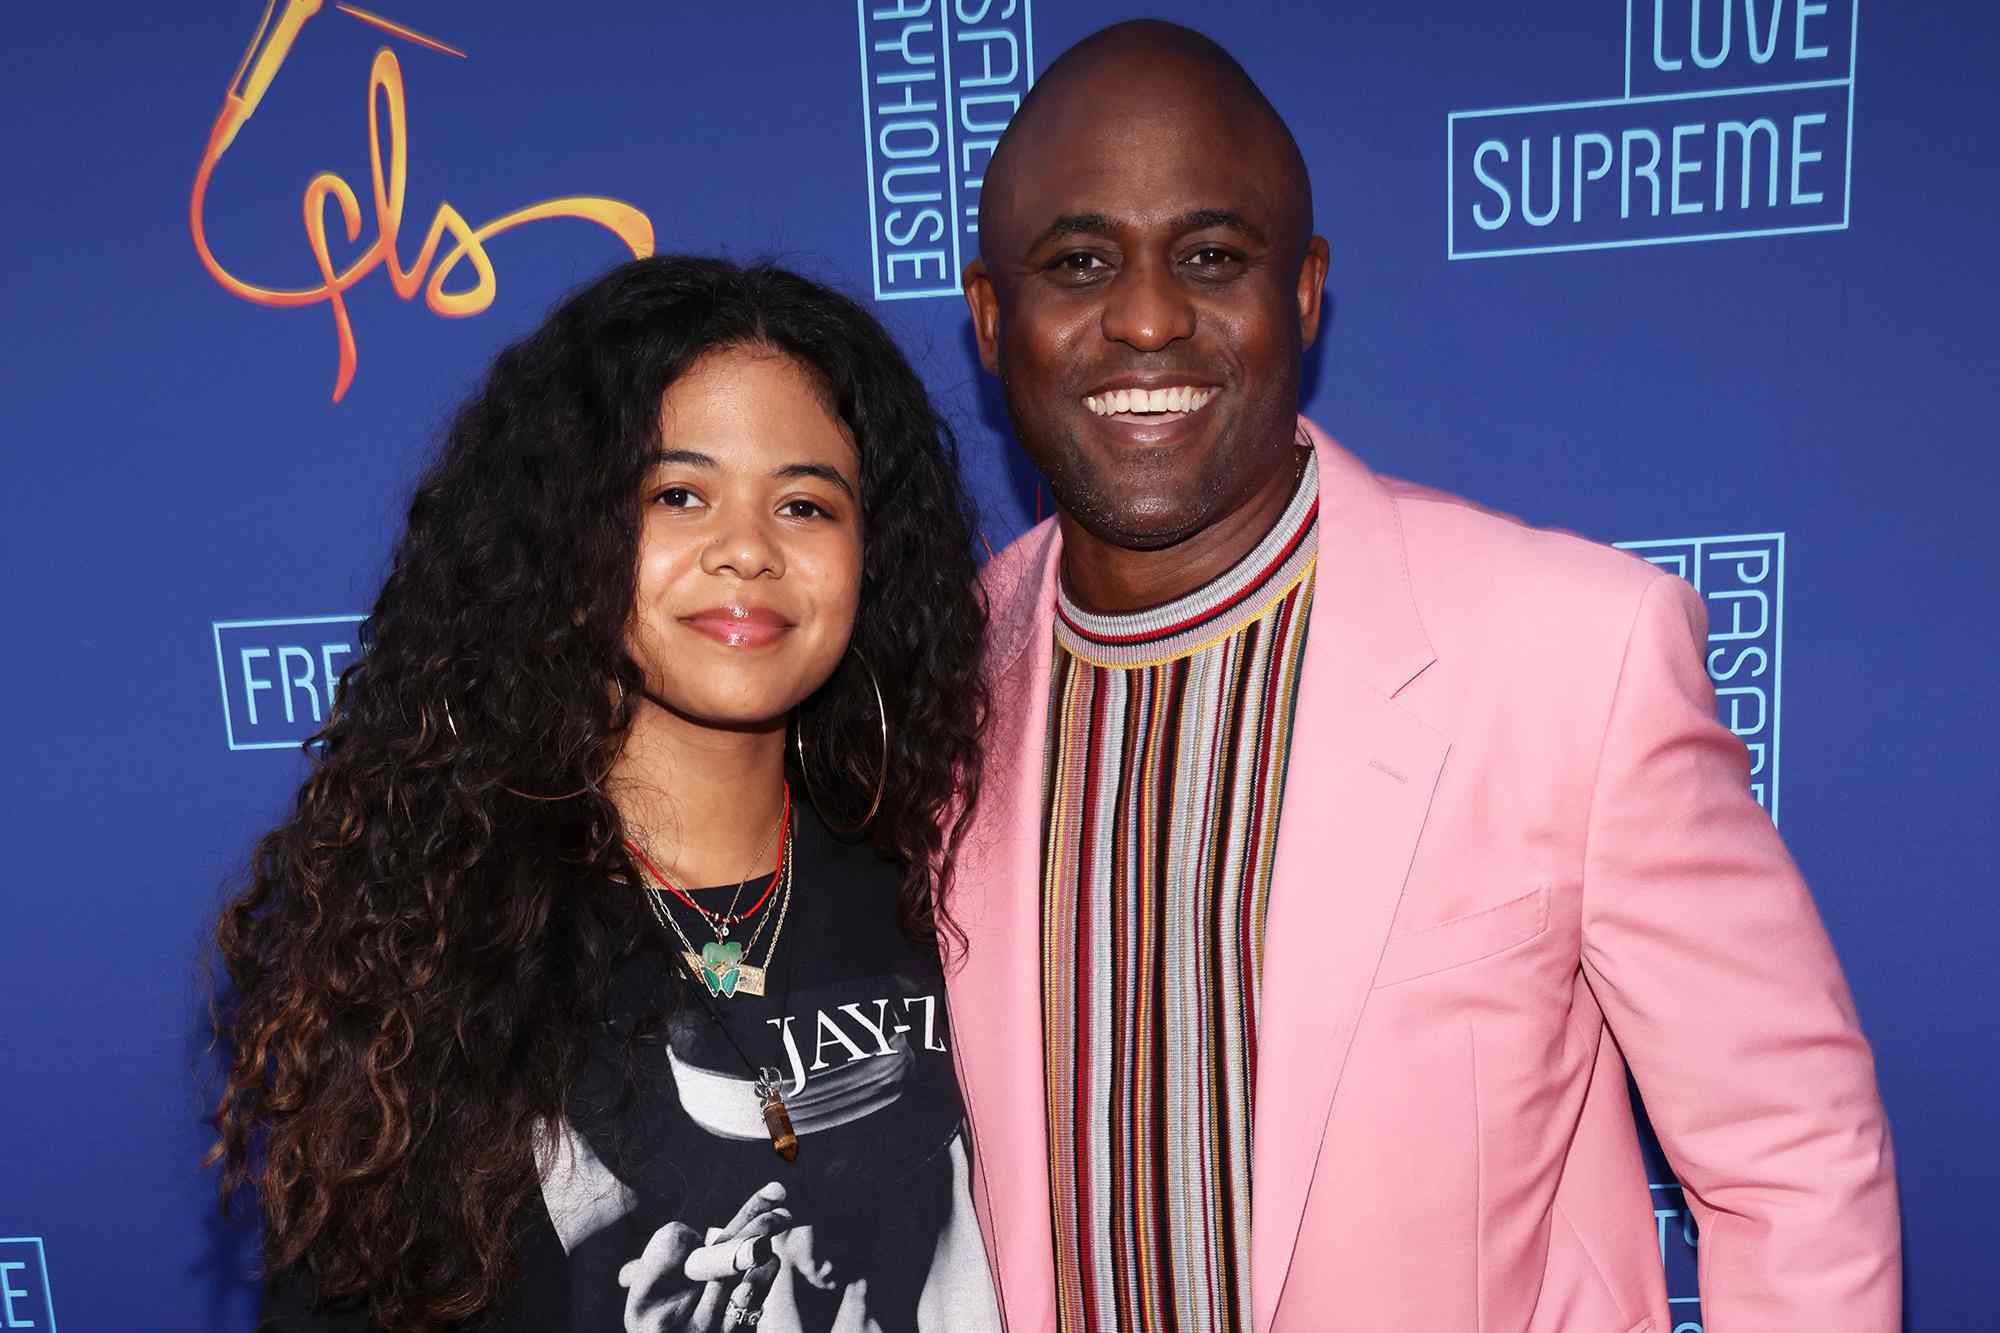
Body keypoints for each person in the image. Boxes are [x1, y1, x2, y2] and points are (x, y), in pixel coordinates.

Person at [949, 20, 1899, 1333]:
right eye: (1081, 261)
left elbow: (1795, 1154)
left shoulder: (1575, 654)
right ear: (994, 321)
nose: (1151, 316)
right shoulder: (933, 689)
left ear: (1303, 293)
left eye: (1213, 256)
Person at [208, 256, 1002, 1333]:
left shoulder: (956, 894)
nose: (746, 552)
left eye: (805, 504)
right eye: (678, 494)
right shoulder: (437, 940)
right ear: (571, 531)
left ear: (872, 554)